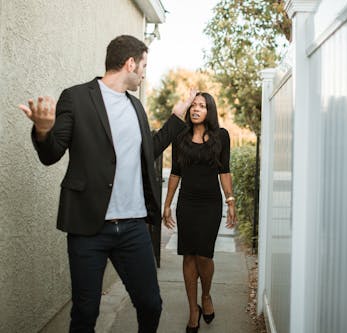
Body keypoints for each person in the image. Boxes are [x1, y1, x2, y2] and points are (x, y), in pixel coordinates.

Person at [18, 35, 194, 333]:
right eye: (144, 66)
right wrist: (43, 131)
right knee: (86, 312)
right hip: (89, 227)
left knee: (151, 304)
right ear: (130, 63)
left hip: (133, 227)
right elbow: (52, 154)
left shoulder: (136, 107)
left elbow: (147, 150)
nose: (144, 72)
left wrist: (176, 118)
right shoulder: (75, 97)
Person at [162, 92, 237, 333]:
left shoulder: (221, 136)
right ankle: (193, 309)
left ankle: (206, 295)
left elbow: (224, 171)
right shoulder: (180, 137)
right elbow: (175, 172)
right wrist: (167, 204)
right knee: (188, 255)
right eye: (193, 105)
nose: (196, 109)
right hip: (187, 203)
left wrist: (231, 200)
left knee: (204, 255)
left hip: (210, 204)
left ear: (209, 111)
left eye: (201, 106)